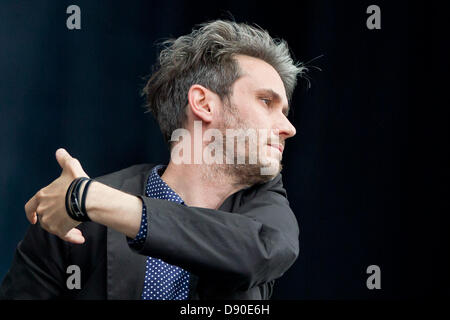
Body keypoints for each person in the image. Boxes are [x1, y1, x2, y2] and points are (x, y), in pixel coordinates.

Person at [0, 19, 305, 300]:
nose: (289, 128)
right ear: (203, 103)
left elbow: (257, 251)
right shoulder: (69, 220)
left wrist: (91, 199)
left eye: (285, 112)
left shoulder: (267, 206)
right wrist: (83, 202)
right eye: (267, 102)